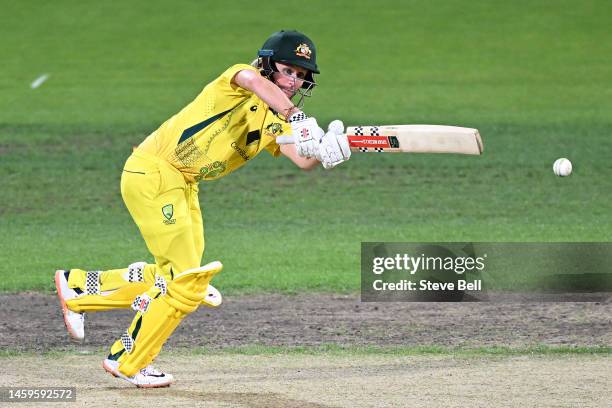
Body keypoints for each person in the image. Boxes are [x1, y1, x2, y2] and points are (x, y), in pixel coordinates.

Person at [54, 30, 351, 388]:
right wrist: (299, 119)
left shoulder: (278, 119)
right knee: (186, 284)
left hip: (183, 184)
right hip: (156, 173)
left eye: (302, 76)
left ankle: (81, 288)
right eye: (289, 70)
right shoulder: (242, 78)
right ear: (268, 63)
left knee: (178, 278)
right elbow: (251, 80)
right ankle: (127, 360)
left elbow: (300, 159)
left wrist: (327, 151)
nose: (295, 81)